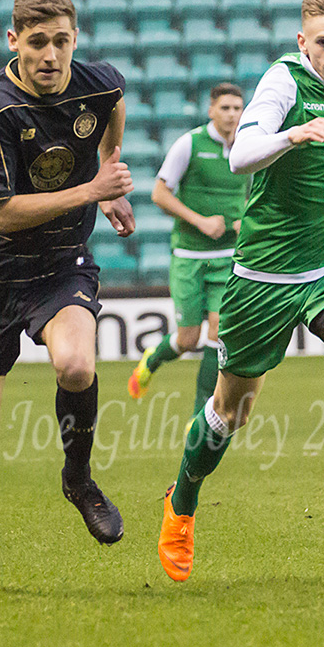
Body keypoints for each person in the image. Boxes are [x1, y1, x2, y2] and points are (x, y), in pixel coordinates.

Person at [158, 0, 324, 582]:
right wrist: (294, 134)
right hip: (264, 272)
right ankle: (182, 504)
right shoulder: (283, 84)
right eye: (323, 43)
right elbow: (240, 156)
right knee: (230, 413)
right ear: (303, 42)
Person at [0, 0, 136, 594]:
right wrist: (91, 191)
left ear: (74, 39)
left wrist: (115, 175)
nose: (50, 55)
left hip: (61, 264)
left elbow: (114, 109)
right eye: (37, 43)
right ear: (14, 42)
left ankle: (77, 479)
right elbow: (0, 212)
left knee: (77, 364)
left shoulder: (99, 83)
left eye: (61, 41)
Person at [127, 83, 248, 420]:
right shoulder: (189, 144)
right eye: (225, 108)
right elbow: (160, 194)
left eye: (237, 108)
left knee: (218, 332)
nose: (232, 115)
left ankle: (200, 418)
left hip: (228, 260)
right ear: (211, 110)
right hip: (189, 257)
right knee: (188, 339)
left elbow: (255, 198)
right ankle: (152, 360)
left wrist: (243, 222)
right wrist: (201, 222)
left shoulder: (248, 149)